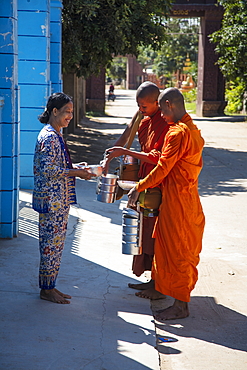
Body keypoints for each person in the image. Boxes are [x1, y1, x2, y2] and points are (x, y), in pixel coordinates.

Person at [128, 87, 205, 320]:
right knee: (165, 247)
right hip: (182, 199)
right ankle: (162, 287)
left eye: (161, 109)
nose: (160, 115)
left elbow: (163, 168)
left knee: (179, 251)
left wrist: (138, 186)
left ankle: (181, 305)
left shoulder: (178, 133)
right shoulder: (190, 129)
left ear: (170, 104)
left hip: (179, 202)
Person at [104, 81, 169, 296]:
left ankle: (160, 284)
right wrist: (113, 152)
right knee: (143, 230)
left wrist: (126, 152)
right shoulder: (143, 117)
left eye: (144, 106)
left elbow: (158, 157)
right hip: (143, 178)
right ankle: (152, 279)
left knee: (155, 234)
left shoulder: (165, 120)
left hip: (157, 182)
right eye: (138, 105)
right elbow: (127, 135)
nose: (141, 110)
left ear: (157, 104)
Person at [32, 92, 95, 304]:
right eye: (67, 112)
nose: (70, 116)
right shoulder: (50, 136)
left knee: (56, 246)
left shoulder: (55, 134)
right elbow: (48, 169)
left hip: (58, 201)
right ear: (54, 111)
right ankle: (46, 290)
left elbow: (57, 166)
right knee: (51, 246)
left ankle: (51, 286)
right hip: (52, 202)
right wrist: (77, 173)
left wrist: (75, 168)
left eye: (72, 112)